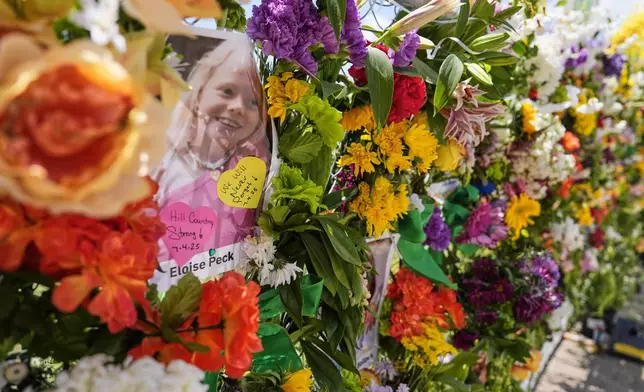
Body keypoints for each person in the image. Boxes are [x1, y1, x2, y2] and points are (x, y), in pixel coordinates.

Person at [154, 35, 270, 267]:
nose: (237, 107)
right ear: (198, 93)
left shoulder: (252, 169)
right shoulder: (163, 161)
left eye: (252, 102)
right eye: (227, 91)